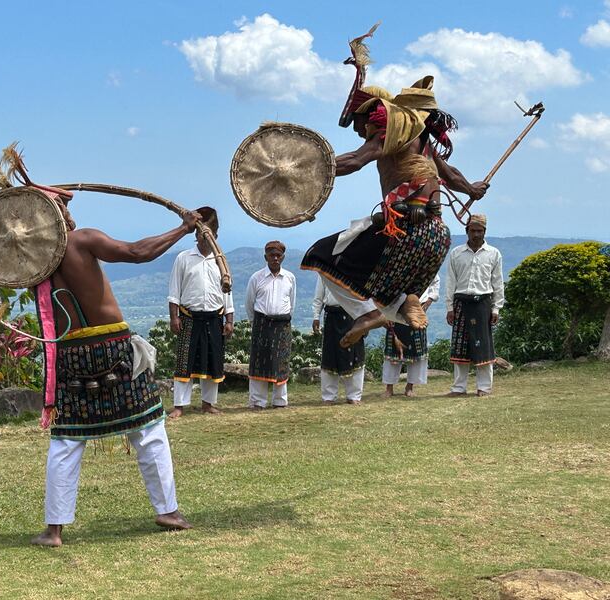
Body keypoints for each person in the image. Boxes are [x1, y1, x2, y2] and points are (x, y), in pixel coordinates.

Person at [30, 191, 200, 547]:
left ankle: (54, 530)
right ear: (52, 215)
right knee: (149, 427)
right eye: (63, 207)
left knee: (66, 439)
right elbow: (138, 253)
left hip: (71, 355)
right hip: (112, 349)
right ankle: (167, 509)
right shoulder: (81, 240)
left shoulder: (31, 262)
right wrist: (183, 228)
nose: (70, 214)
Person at [301, 27, 488, 348]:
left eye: (360, 124)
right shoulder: (425, 142)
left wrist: (311, 169)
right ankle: (407, 300)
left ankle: (367, 313)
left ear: (371, 114)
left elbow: (356, 160)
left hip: (403, 232)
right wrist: (471, 189)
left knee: (320, 255)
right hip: (436, 239)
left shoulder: (387, 135)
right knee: (391, 289)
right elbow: (453, 177)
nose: (359, 131)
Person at [167, 207, 234, 419]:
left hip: (215, 317)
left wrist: (229, 320)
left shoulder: (220, 261)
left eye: (209, 235)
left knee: (212, 361)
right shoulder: (184, 258)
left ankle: (208, 404)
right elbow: (174, 291)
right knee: (184, 362)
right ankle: (179, 405)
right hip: (189, 317)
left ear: (215, 236)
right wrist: (174, 317)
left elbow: (228, 294)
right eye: (201, 234)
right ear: (196, 235)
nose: (205, 238)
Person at [445, 214, 504, 396]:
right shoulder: (456, 253)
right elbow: (450, 282)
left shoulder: (493, 254)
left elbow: (497, 283)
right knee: (460, 347)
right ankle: (458, 388)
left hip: (483, 304)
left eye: (480, 231)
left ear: (485, 231)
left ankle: (484, 388)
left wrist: (496, 308)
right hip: (461, 303)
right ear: (467, 231)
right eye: (473, 230)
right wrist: (449, 308)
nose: (476, 234)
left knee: (483, 346)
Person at [245, 241, 297, 409]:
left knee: (281, 362)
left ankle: (280, 401)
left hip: (282, 324)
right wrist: (257, 322)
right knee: (259, 362)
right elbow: (249, 303)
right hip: (262, 324)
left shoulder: (290, 278)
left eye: (278, 255)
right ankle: (257, 401)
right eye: (271, 255)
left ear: (283, 257)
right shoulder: (256, 277)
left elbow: (292, 303)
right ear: (265, 257)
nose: (275, 258)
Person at [311, 274, 370, 405]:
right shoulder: (325, 269)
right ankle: (328, 396)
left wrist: (367, 321)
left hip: (354, 316)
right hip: (332, 316)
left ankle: (354, 395)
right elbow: (318, 296)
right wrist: (316, 316)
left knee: (355, 355)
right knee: (330, 355)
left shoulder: (357, 268)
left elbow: (365, 297)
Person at [382, 274, 440, 397]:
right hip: (395, 307)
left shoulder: (427, 261)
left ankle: (410, 387)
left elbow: (435, 280)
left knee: (416, 350)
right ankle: (389, 388)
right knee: (392, 349)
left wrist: (429, 299)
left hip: (419, 308)